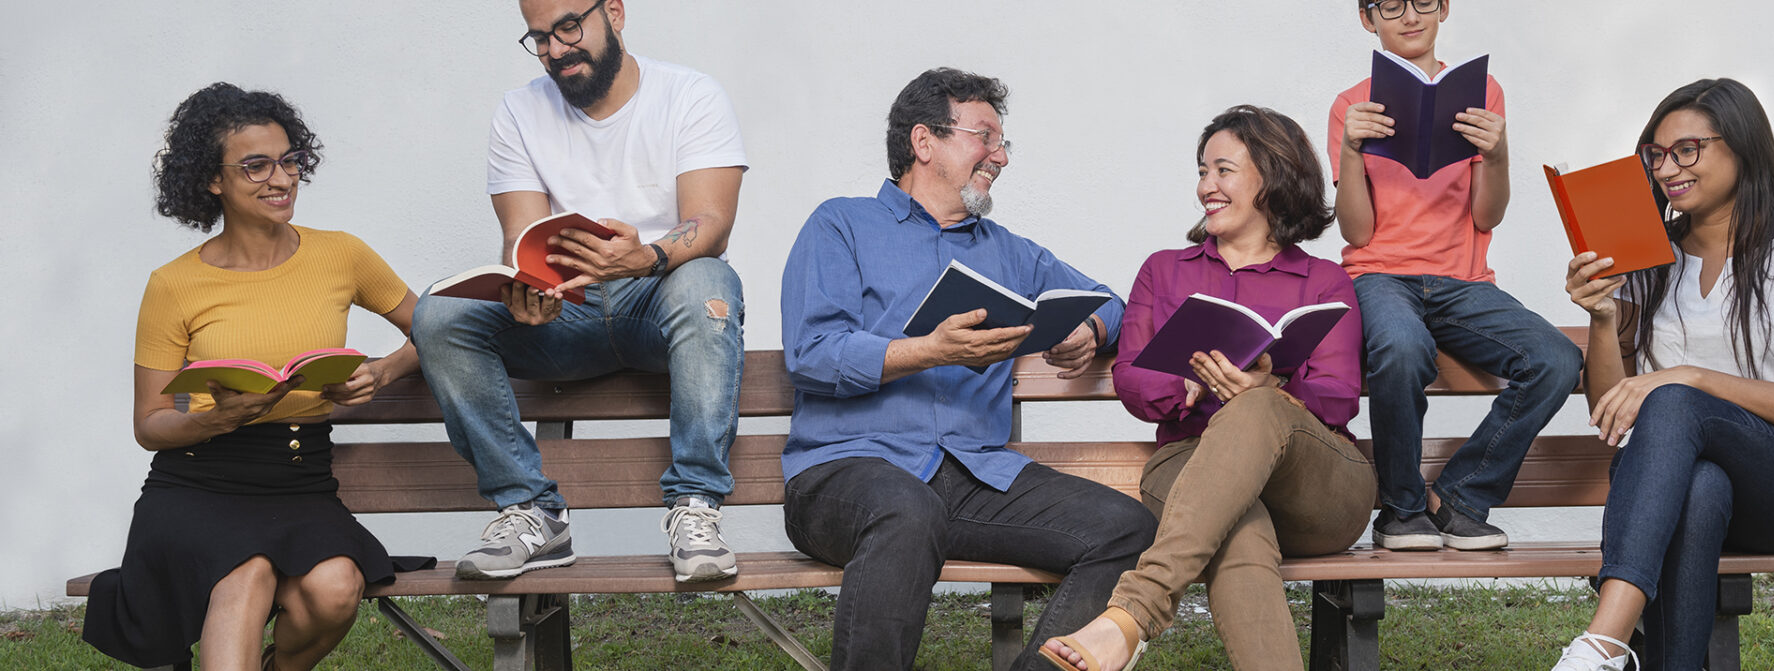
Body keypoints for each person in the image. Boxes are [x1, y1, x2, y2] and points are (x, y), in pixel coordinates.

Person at [779, 67, 1158, 671]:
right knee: (905, 508)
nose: (1000, 156)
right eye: (985, 137)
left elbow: (1111, 300)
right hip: (843, 476)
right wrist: (931, 350)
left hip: (972, 477)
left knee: (1126, 529)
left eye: (1003, 142)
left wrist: (1089, 330)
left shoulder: (1008, 251)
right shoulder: (840, 225)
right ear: (924, 142)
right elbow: (812, 353)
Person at [83, 83, 431, 671]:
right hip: (197, 483)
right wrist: (212, 414)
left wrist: (382, 370)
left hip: (297, 481)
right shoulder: (174, 284)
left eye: (290, 160)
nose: (282, 179)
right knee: (245, 571)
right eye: (256, 166)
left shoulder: (340, 255)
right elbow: (151, 422)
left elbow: (436, 326)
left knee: (336, 587)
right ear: (212, 180)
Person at [410, 0, 749, 583]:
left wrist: (646, 256)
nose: (556, 49)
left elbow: (711, 223)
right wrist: (529, 290)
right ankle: (531, 512)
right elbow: (520, 236)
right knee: (439, 314)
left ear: (614, 13)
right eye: (539, 38)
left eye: (569, 27)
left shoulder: (691, 95)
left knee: (709, 280)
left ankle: (695, 508)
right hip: (565, 314)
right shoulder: (518, 112)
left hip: (657, 300)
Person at [1040, 106, 1374, 671]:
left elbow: (1340, 394)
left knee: (1258, 404)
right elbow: (1132, 377)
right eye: (1202, 171)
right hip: (1190, 464)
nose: (1205, 187)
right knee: (1236, 533)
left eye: (1223, 171)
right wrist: (1189, 388)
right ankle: (1128, 622)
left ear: (1273, 177)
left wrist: (1268, 390)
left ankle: (1133, 615)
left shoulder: (1323, 280)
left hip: (1315, 488)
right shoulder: (1164, 270)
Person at [1552, 78, 1774, 671]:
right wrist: (1601, 317)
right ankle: (1635, 655)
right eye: (1657, 154)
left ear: (1742, 147)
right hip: (1680, 483)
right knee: (1701, 485)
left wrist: (1692, 378)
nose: (1669, 168)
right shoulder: (1646, 256)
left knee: (1673, 398)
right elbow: (1612, 411)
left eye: (1688, 149)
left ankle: (1602, 642)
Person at [1330, 0, 1582, 551]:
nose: (1408, 15)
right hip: (1381, 276)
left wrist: (1498, 154)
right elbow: (1356, 233)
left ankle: (1460, 496)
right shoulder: (1350, 106)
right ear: (1366, 17)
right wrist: (1352, 150)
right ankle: (1401, 510)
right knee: (1399, 347)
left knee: (1556, 359)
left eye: (1423, 1)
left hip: (1464, 282)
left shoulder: (1481, 91)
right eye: (1389, 5)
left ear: (1444, 8)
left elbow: (1486, 216)